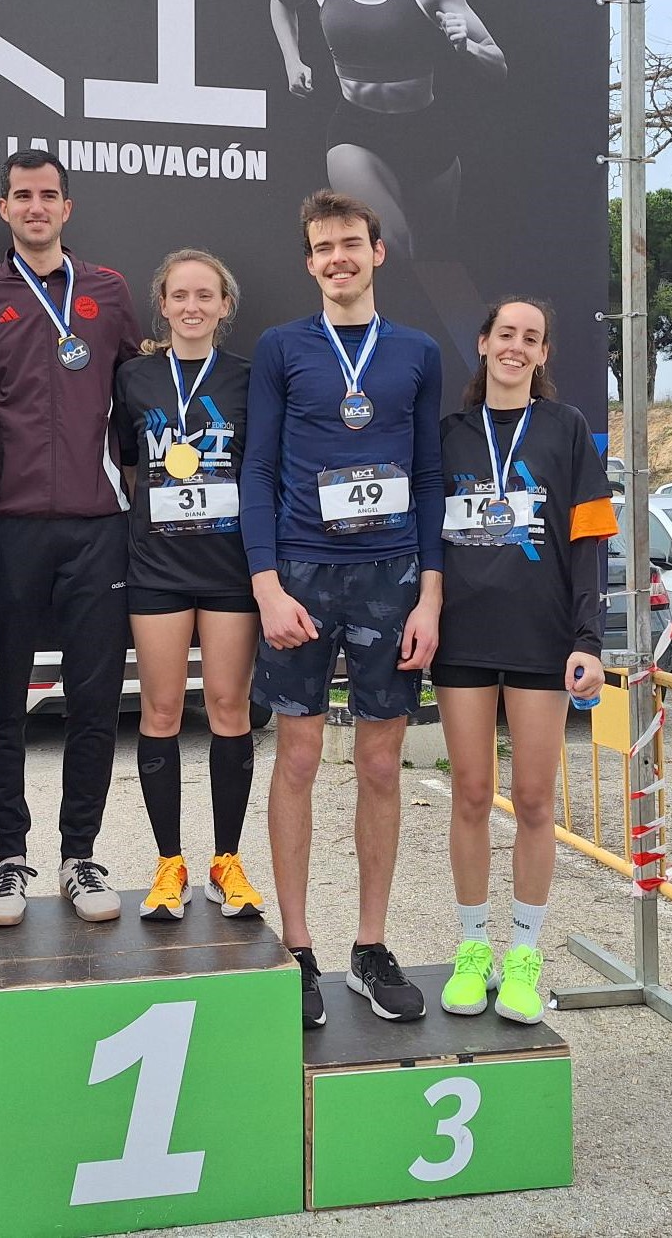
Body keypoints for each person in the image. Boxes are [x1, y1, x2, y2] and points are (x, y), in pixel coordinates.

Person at [240, 189, 444, 1029]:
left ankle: (369, 944)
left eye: (350, 245)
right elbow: (255, 471)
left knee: (379, 766)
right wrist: (265, 586)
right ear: (308, 261)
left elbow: (431, 476)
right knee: (293, 762)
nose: (338, 259)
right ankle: (296, 948)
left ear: (377, 250)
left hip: (390, 579)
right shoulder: (282, 347)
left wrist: (430, 593)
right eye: (322, 248)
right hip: (301, 577)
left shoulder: (417, 353)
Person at [0, 150, 141, 924]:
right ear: (3, 208)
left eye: (49, 196)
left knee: (95, 699)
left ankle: (81, 855)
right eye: (22, 196)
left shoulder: (108, 292)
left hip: (99, 528)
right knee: (2, 704)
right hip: (8, 529)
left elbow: (134, 404)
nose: (36, 207)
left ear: (68, 207)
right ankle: (9, 859)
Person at [435, 297, 616, 1025]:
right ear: (481, 344)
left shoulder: (566, 429)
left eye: (530, 338)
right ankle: (471, 948)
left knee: (535, 802)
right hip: (462, 642)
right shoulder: (445, 434)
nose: (515, 346)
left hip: (542, 642)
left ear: (544, 354)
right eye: (504, 334)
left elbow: (590, 540)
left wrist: (589, 640)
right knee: (471, 794)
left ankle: (524, 955)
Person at [114, 249, 263, 922]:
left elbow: (261, 471)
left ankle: (226, 861)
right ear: (164, 305)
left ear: (223, 306)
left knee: (229, 711)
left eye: (206, 295)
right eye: (180, 296)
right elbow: (124, 460)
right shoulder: (133, 377)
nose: (192, 306)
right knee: (161, 713)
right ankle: (168, 863)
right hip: (158, 567)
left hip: (229, 569)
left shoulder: (247, 379)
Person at [269, 0, 504, 256]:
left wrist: (466, 47)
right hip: (355, 131)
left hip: (426, 133)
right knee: (392, 245)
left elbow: (497, 64)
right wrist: (292, 59)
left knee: (435, 255)